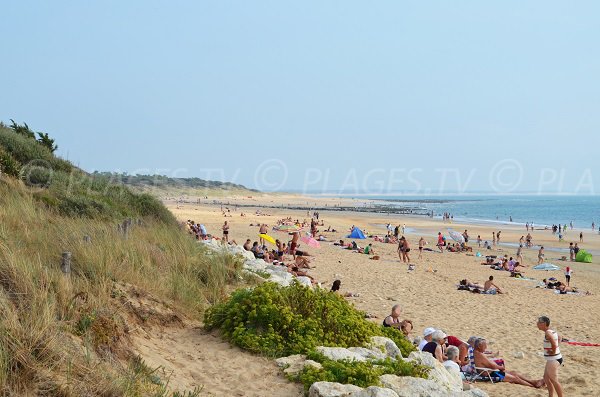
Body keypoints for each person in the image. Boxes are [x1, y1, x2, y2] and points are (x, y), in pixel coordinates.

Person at [474, 338, 542, 388]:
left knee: (514, 373)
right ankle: (533, 386)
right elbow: (492, 366)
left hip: (492, 371)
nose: (486, 347)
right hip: (491, 374)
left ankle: (534, 382)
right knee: (515, 378)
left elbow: (488, 363)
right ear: (479, 346)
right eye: (484, 345)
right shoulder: (480, 355)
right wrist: (501, 367)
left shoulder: (477, 352)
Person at [537, 316, 563, 397]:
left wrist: (553, 351)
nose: (537, 324)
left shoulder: (548, 333)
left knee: (554, 380)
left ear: (544, 324)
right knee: (546, 378)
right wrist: (556, 347)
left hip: (554, 359)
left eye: (538, 322)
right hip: (553, 358)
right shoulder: (551, 330)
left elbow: (554, 343)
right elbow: (559, 337)